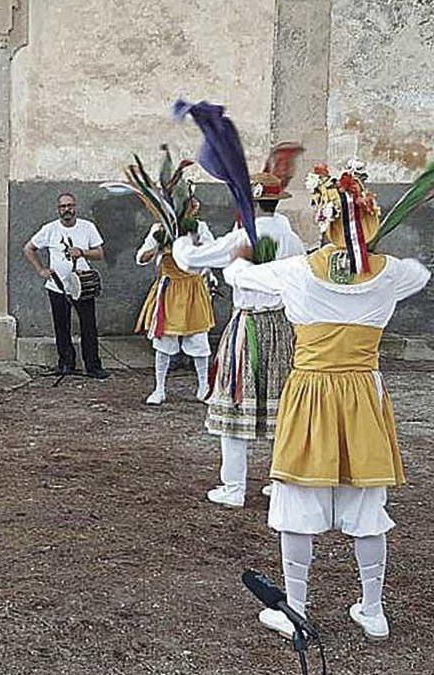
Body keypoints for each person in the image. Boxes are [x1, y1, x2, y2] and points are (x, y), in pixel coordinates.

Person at [225, 161, 429, 641]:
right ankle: (372, 610)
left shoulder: (297, 271)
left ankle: (296, 610)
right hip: (362, 396)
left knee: (298, 502)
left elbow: (238, 276)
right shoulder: (391, 274)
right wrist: (370, 253)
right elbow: (419, 274)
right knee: (365, 507)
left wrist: (242, 245)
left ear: (324, 219)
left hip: (312, 393)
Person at [173, 173, 307, 507]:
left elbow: (191, 260)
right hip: (282, 326)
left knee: (232, 402)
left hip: (248, 327)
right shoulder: (290, 236)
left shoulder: (244, 236)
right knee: (283, 405)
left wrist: (181, 236)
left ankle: (233, 487)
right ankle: (281, 483)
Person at [133, 197, 216, 404]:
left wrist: (196, 248)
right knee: (163, 341)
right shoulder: (158, 229)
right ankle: (159, 389)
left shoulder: (199, 227)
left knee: (198, 340)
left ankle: (203, 387)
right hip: (169, 290)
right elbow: (141, 257)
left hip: (193, 288)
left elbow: (213, 253)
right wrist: (159, 249)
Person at [23, 192, 109, 378]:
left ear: (75, 207)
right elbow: (29, 248)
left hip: (82, 286)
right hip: (57, 286)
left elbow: (100, 254)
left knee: (88, 326)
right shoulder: (50, 229)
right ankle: (66, 364)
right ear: (58, 209)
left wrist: (82, 252)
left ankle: (93, 366)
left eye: (69, 206)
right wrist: (41, 270)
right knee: (61, 326)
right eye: (63, 207)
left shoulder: (87, 227)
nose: (66, 209)